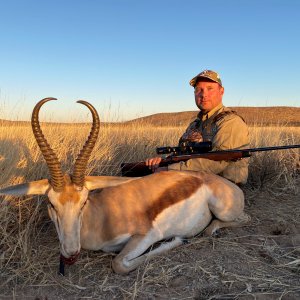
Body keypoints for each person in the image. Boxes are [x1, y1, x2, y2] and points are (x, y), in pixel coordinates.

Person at [145, 70, 250, 185]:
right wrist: (163, 162)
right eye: (199, 90)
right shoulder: (195, 124)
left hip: (224, 188)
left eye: (210, 88)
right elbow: (181, 153)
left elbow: (216, 163)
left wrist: (169, 170)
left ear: (221, 91)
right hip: (195, 182)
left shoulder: (231, 122)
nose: (204, 94)